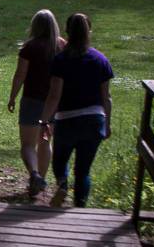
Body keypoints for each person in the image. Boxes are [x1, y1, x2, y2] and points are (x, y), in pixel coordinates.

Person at [38, 12, 113, 208]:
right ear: (89, 31)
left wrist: (44, 121)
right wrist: (107, 123)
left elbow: (54, 95)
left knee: (60, 162)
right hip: (95, 120)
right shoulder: (101, 60)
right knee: (84, 171)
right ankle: (80, 206)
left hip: (67, 120)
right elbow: (106, 98)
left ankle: (62, 185)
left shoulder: (61, 60)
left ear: (67, 32)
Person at [7, 9, 66, 197]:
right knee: (45, 142)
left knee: (27, 144)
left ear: (35, 26)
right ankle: (40, 177)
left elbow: (20, 75)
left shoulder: (29, 47)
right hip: (54, 102)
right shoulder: (61, 46)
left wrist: (12, 97)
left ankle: (34, 175)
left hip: (32, 100)